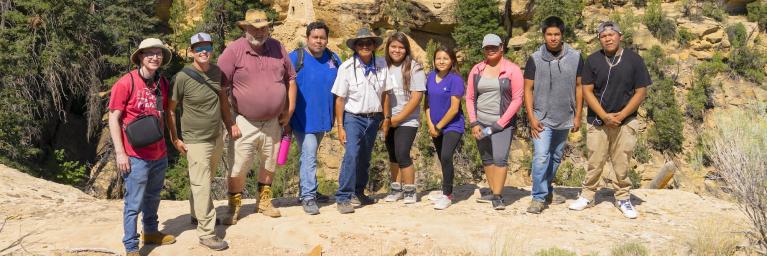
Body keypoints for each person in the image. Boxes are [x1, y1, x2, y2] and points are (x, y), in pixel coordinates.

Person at [217, 9, 297, 223]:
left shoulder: (278, 47)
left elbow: (290, 79)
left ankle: (263, 202)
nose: (260, 32)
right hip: (244, 121)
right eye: (255, 28)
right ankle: (233, 206)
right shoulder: (233, 51)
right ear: (245, 28)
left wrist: (289, 110)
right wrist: (229, 121)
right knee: (239, 166)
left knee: (269, 163)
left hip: (273, 122)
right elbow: (220, 88)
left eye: (264, 28)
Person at [568, 21, 651, 219]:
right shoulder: (593, 60)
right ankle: (588, 195)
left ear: (620, 36)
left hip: (626, 120)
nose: (608, 38)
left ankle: (623, 197)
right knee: (595, 159)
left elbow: (641, 92)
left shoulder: (634, 60)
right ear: (600, 39)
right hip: (598, 120)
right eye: (603, 36)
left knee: (622, 161)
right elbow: (587, 90)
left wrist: (621, 115)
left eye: (611, 34)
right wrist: (604, 116)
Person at [166, 33, 236, 250]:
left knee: (203, 180)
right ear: (191, 52)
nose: (203, 51)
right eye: (198, 48)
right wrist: (175, 138)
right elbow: (170, 109)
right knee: (202, 184)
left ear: (211, 49)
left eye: (206, 46)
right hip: (195, 140)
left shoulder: (217, 72)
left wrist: (229, 124)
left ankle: (197, 215)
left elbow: (223, 101)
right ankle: (206, 233)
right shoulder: (182, 77)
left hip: (215, 137)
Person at [108, 38, 175, 256]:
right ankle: (131, 245)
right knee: (133, 202)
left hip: (159, 152)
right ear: (140, 57)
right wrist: (120, 153)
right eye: (149, 53)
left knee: (153, 196)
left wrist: (171, 141)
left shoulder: (162, 83)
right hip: (135, 155)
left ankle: (151, 232)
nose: (155, 57)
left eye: (159, 53)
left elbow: (165, 114)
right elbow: (113, 118)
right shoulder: (126, 83)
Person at [523, 16, 583, 214]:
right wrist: (531, 118)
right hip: (541, 118)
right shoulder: (534, 59)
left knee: (556, 156)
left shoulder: (575, 57)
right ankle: (538, 198)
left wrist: (578, 115)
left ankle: (548, 190)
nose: (553, 38)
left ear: (562, 35)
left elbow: (579, 86)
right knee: (541, 156)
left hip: (565, 116)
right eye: (549, 34)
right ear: (544, 36)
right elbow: (527, 90)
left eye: (556, 34)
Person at [331, 27, 388, 214]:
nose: (365, 46)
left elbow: (386, 93)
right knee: (352, 155)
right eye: (360, 43)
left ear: (374, 46)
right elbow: (339, 99)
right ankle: (343, 197)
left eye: (368, 43)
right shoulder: (346, 68)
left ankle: (359, 191)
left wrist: (385, 118)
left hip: (374, 118)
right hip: (353, 118)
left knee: (365, 157)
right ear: (355, 47)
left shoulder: (381, 64)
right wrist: (340, 126)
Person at [288, 21, 342, 215]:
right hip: (302, 119)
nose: (319, 41)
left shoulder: (333, 59)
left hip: (322, 118)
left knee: (310, 154)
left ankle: (308, 189)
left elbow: (340, 89)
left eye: (322, 38)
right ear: (307, 38)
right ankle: (308, 196)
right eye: (315, 37)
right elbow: (282, 86)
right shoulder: (296, 58)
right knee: (309, 154)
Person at [466, 34, 524, 210]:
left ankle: (498, 196)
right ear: (483, 50)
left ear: (501, 48)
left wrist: (501, 123)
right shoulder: (477, 69)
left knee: (500, 158)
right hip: (481, 122)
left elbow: (517, 99)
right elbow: (469, 97)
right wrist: (474, 122)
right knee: (487, 158)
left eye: (494, 47)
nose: (490, 50)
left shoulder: (512, 70)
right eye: (487, 48)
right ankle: (492, 191)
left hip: (502, 124)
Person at [381, 32, 426, 204]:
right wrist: (387, 118)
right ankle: (396, 188)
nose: (397, 50)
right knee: (392, 154)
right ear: (388, 48)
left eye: (401, 47)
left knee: (402, 153)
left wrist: (399, 118)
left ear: (406, 49)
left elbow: (417, 97)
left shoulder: (414, 67)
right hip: (388, 118)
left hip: (407, 119)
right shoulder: (383, 65)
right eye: (393, 46)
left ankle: (409, 190)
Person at [424, 46, 465, 210]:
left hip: (452, 125)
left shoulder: (455, 79)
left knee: (447, 156)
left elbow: (454, 108)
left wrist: (439, 126)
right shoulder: (430, 76)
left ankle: (447, 195)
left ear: (452, 61)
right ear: (434, 60)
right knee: (442, 158)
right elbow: (426, 104)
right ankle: (445, 191)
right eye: (438, 58)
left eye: (445, 58)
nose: (441, 61)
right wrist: (430, 125)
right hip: (435, 127)